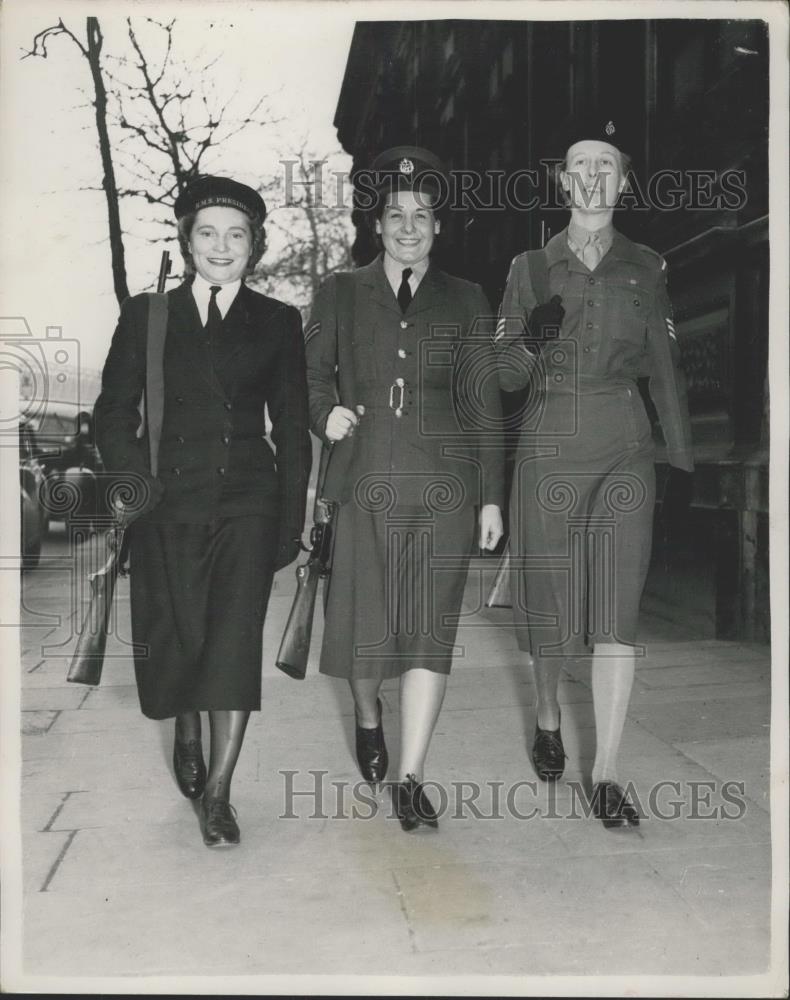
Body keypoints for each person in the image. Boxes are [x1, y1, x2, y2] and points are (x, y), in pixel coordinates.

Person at [94, 175, 311, 847]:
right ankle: (185, 720)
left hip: (247, 498)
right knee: (178, 638)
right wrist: (135, 482)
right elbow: (112, 412)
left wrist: (290, 523)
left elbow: (294, 423)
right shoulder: (147, 314)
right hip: (168, 502)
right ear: (188, 240)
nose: (223, 246)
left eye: (237, 235)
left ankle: (219, 792)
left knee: (232, 644)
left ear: (255, 246)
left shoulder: (277, 321)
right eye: (209, 232)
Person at [494, 116, 694, 828]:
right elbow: (504, 376)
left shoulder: (648, 264)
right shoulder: (527, 268)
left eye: (606, 165)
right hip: (550, 435)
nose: (592, 176)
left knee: (618, 607)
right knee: (548, 599)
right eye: (579, 164)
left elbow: (664, 366)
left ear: (624, 181)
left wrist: (679, 453)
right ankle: (548, 711)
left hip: (623, 442)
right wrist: (533, 333)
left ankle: (606, 769)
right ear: (562, 180)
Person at [306, 146, 504, 833]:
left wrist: (490, 497)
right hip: (363, 484)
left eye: (421, 214)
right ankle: (368, 716)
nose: (408, 226)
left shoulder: (468, 298)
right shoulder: (338, 292)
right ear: (377, 223)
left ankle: (412, 774)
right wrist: (322, 410)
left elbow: (484, 405)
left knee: (428, 632)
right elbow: (313, 376)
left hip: (442, 491)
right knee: (362, 635)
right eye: (395, 214)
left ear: (438, 225)